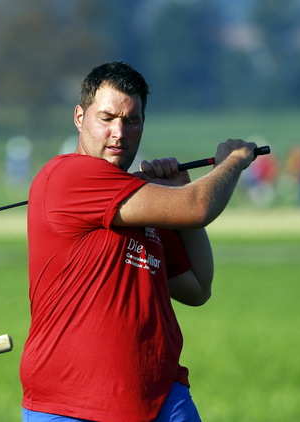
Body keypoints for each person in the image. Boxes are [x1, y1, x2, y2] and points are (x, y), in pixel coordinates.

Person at [20, 62, 258, 422]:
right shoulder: (70, 174)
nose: (119, 132)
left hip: (162, 395)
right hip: (75, 402)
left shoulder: (140, 200)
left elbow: (196, 288)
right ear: (79, 117)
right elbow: (197, 207)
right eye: (107, 118)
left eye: (131, 121)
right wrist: (233, 162)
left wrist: (176, 189)